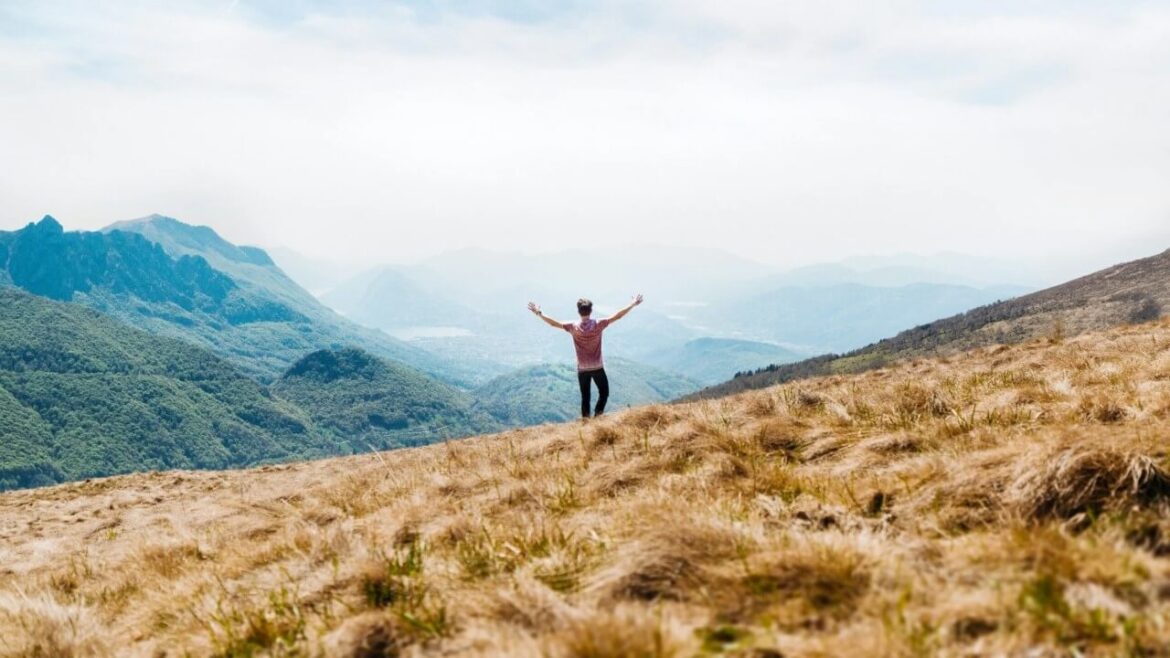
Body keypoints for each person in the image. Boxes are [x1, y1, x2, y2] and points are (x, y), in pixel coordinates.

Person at [528, 294, 644, 419]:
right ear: (591, 310)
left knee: (585, 397)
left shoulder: (573, 327)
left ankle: (586, 422)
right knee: (604, 393)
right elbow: (618, 316)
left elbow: (553, 324)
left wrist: (539, 313)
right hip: (597, 367)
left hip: (582, 368)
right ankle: (598, 416)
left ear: (578, 311)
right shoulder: (598, 324)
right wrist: (632, 304)